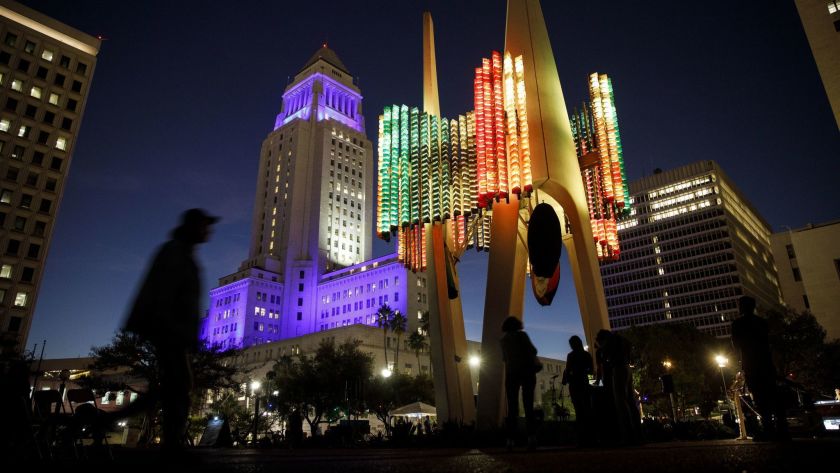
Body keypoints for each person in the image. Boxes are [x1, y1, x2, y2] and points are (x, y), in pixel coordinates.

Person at [123, 208, 218, 456]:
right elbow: (163, 294)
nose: (209, 231)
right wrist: (171, 328)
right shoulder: (174, 253)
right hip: (168, 329)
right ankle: (171, 443)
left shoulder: (183, 253)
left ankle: (169, 439)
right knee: (179, 384)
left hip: (172, 330)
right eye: (204, 226)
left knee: (172, 386)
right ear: (193, 227)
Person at [730, 295, 788, 441]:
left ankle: (768, 428)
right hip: (766, 362)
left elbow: (736, 345)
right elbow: (769, 342)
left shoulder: (738, 323)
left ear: (742, 307)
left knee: (760, 396)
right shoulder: (762, 322)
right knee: (772, 394)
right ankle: (782, 428)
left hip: (751, 364)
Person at [595, 329, 642, 446]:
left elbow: (605, 355)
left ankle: (628, 436)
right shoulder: (622, 340)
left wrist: (600, 349)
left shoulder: (609, 342)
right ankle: (639, 434)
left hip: (618, 369)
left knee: (621, 402)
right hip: (627, 368)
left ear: (603, 339)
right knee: (631, 401)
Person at [500, 316, 539, 450]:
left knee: (512, 407)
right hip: (527, 372)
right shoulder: (522, 335)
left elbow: (504, 358)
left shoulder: (503, 340)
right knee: (528, 405)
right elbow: (533, 350)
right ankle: (531, 438)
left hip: (511, 374)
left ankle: (510, 439)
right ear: (518, 325)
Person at [562, 335, 594, 446]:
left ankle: (581, 438)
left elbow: (568, 369)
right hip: (585, 385)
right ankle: (591, 437)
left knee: (579, 411)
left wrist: (565, 380)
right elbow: (591, 371)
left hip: (575, 385)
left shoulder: (571, 356)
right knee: (588, 410)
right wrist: (594, 385)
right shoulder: (586, 355)